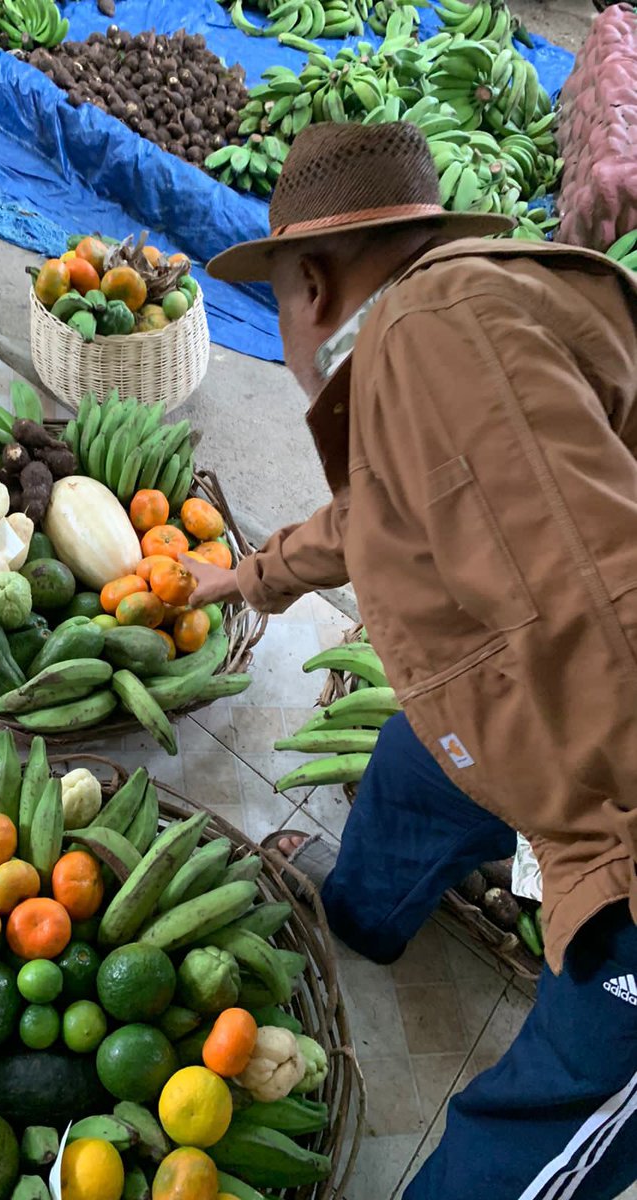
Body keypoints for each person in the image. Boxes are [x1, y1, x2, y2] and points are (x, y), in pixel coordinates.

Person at [186, 120, 637, 1199]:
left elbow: (604, 605)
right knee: (413, 767)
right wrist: (252, 577)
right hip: (515, 709)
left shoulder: (441, 337)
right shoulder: (438, 329)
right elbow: (384, 513)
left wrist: (602, 870)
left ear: (310, 280)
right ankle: (361, 920)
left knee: (543, 1121)